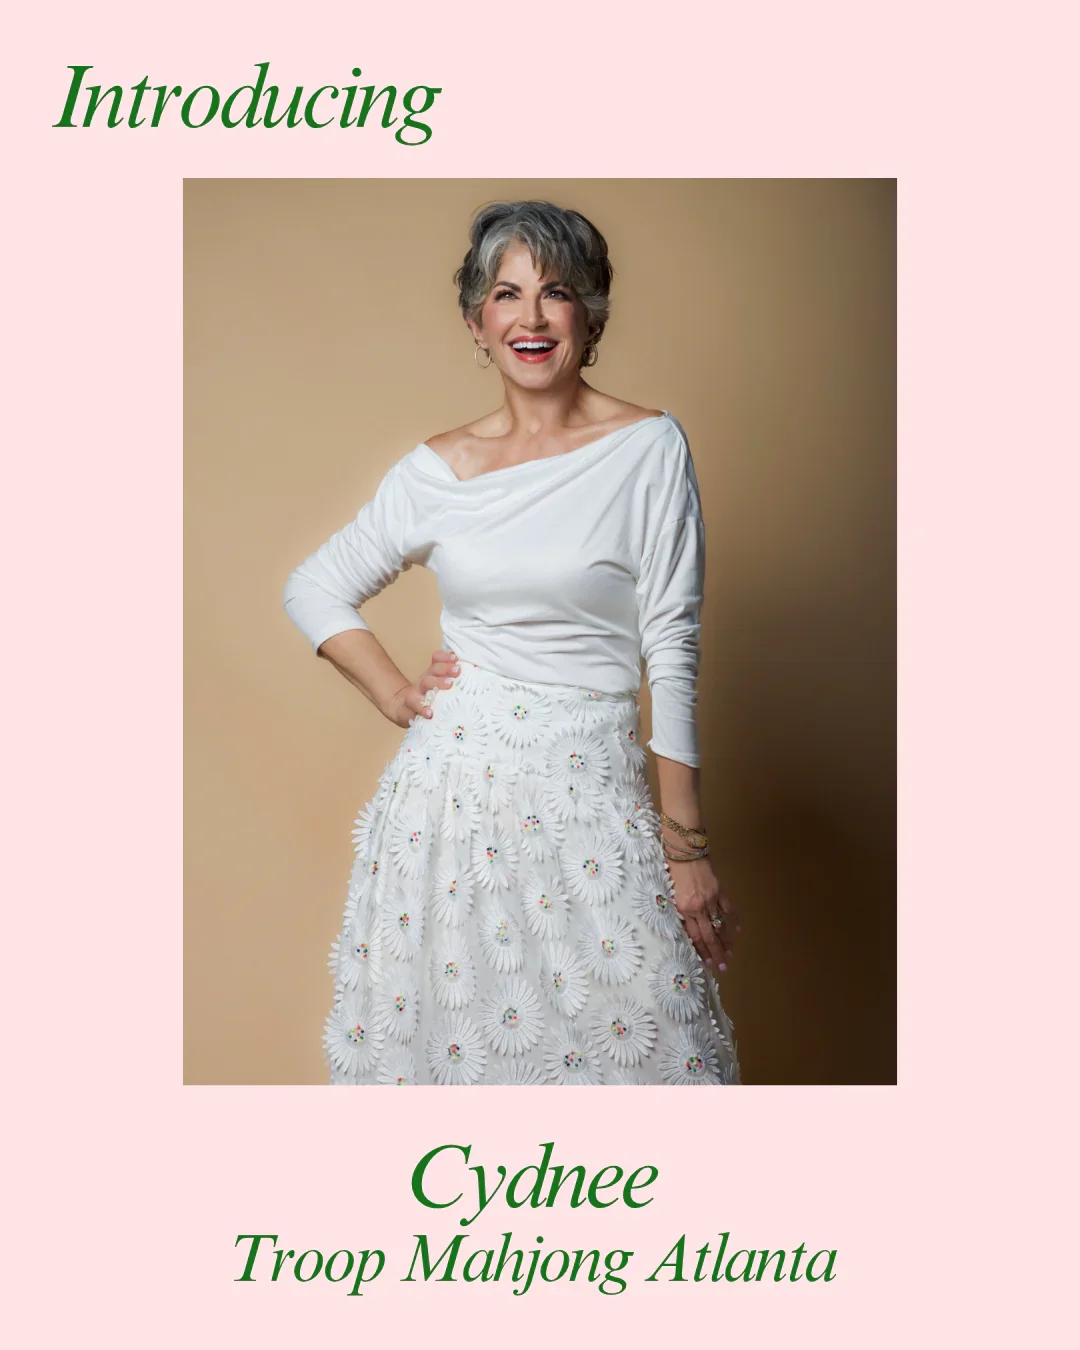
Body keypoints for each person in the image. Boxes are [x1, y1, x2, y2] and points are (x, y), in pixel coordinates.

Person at [283, 199, 741, 1085]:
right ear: (476, 322)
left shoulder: (646, 449)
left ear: (590, 316)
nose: (532, 318)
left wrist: (687, 848)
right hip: (450, 809)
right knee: (458, 1057)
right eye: (507, 294)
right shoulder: (436, 471)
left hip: (593, 795)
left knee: (640, 1049)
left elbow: (672, 645)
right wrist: (392, 691)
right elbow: (315, 585)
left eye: (557, 294)